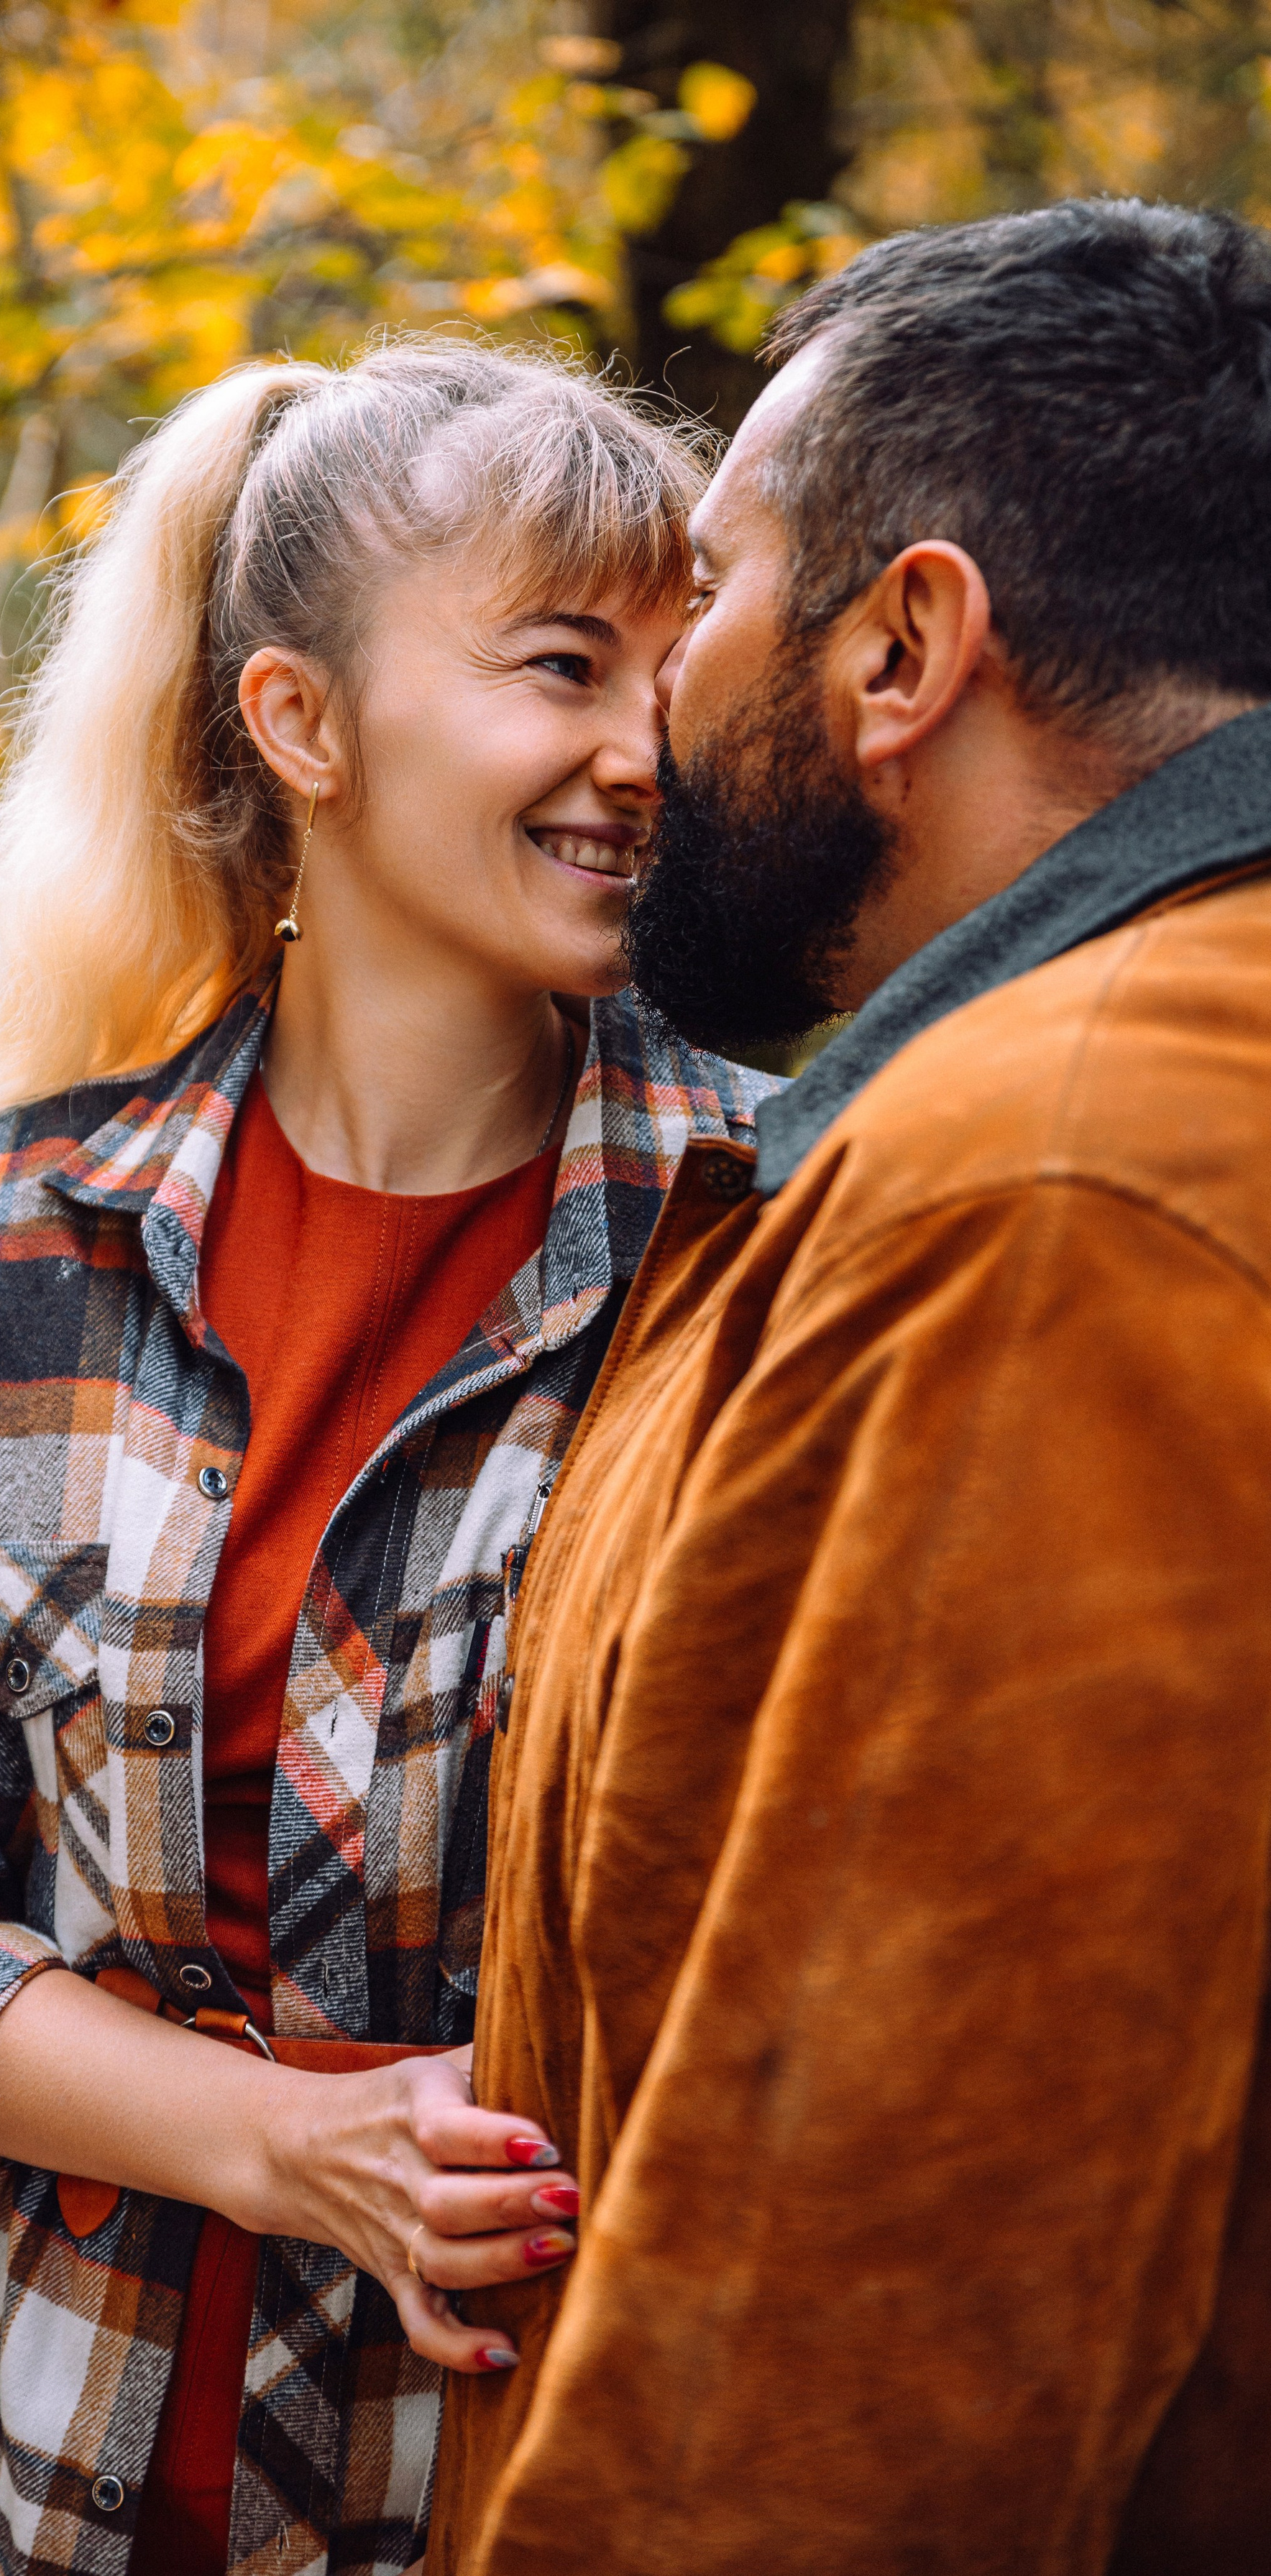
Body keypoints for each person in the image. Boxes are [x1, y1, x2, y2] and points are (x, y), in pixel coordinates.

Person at [0, 340, 774, 2576]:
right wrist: (263, 2139)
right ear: (303, 724)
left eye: (683, 664)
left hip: (506, 2477)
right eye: (564, 665)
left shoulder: (770, 1240)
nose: (647, 752)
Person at [429, 201, 1271, 2576]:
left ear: (904, 646)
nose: (648, 700)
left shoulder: (1066, 1189)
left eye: (705, 593)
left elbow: (874, 2305)